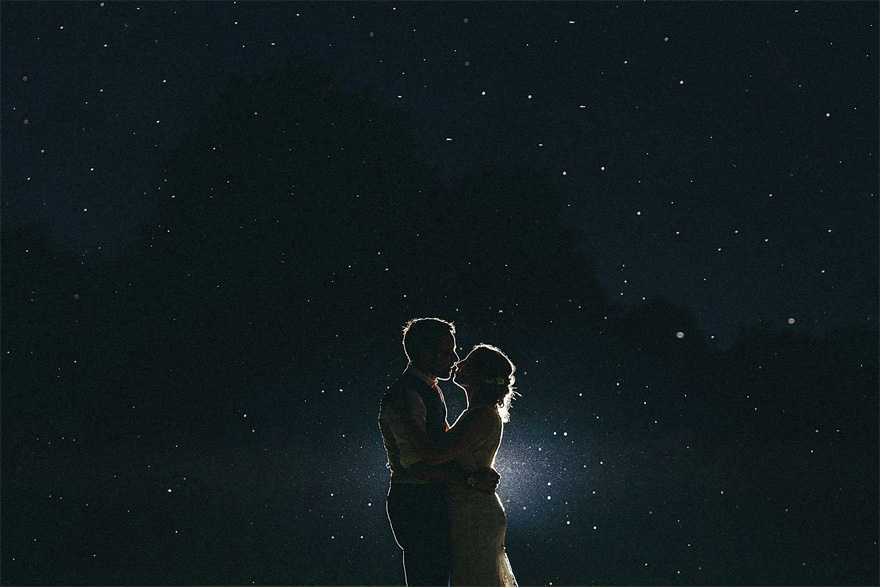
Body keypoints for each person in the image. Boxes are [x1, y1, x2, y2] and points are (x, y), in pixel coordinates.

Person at [378, 318, 500, 587]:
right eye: (446, 352)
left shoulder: (431, 391)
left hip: (431, 497)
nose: (455, 359)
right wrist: (470, 479)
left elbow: (442, 447)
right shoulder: (406, 395)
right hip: (415, 500)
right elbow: (417, 463)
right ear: (424, 354)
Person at [428, 344, 519, 587]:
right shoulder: (480, 413)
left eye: (466, 363)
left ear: (479, 375)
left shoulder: (480, 416)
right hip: (469, 507)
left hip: (473, 512)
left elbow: (436, 456)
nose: (458, 364)